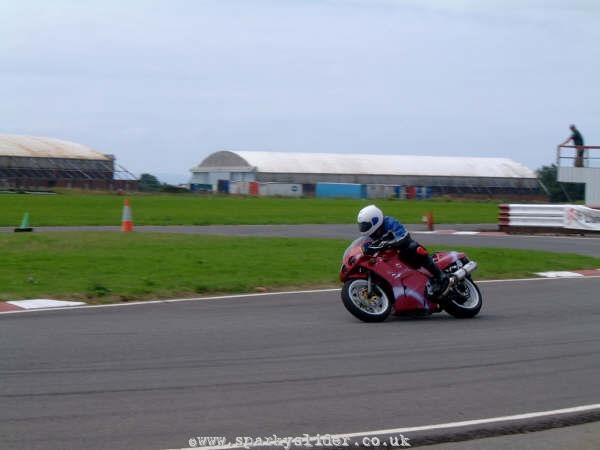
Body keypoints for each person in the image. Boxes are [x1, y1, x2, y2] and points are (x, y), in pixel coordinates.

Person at [356, 204, 450, 298]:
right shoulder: (370, 235)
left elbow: (403, 235)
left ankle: (440, 276)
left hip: (402, 250)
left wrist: (389, 243)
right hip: (388, 257)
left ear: (375, 220)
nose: (363, 228)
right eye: (362, 226)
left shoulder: (390, 222)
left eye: (365, 225)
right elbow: (365, 245)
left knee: (412, 248)